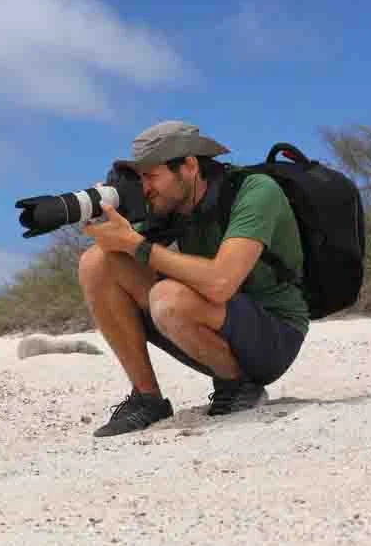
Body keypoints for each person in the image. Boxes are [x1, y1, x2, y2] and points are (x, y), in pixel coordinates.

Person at [78, 120, 309, 437]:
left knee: (167, 298)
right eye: (140, 178)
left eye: (151, 176)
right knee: (97, 262)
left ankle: (238, 385)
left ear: (188, 166)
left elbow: (220, 283)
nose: (144, 188)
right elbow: (123, 263)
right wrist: (114, 228)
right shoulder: (171, 205)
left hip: (274, 334)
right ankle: (147, 398)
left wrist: (134, 244)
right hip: (210, 326)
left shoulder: (255, 191)